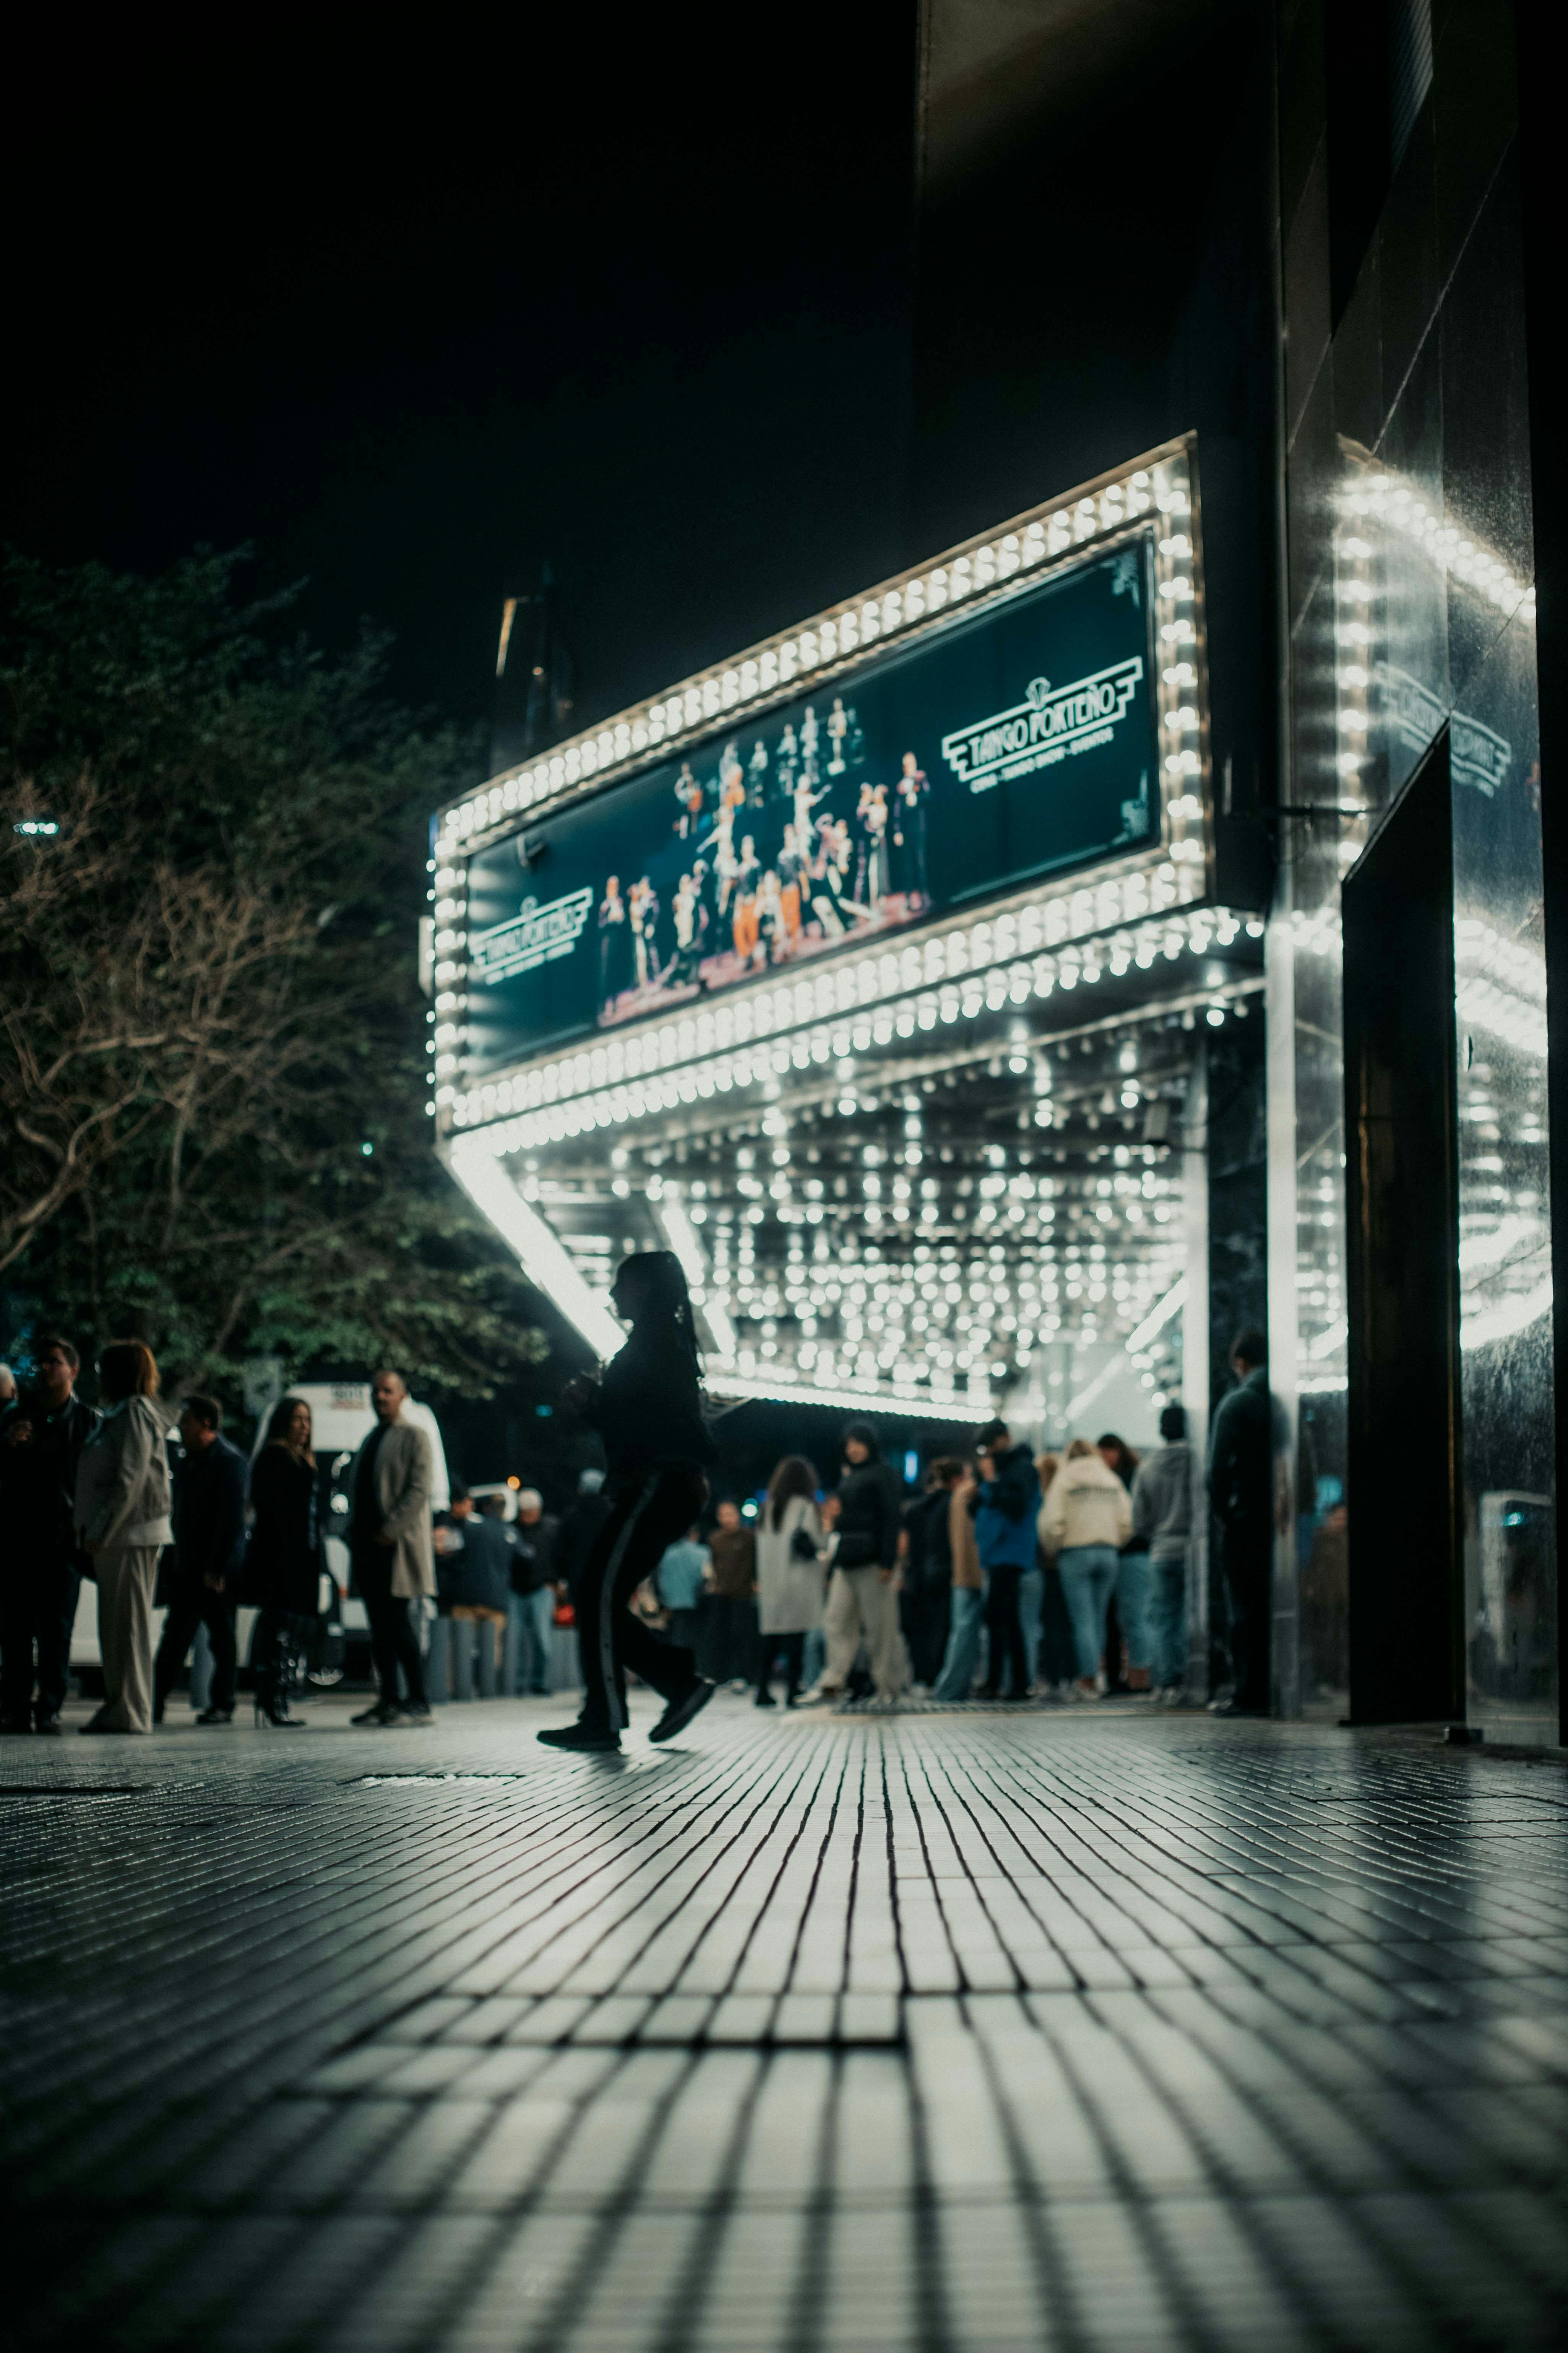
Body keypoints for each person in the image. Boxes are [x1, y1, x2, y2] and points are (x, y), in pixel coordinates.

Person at [540, 1248, 717, 1752]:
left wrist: (592, 1401)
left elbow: (642, 1425)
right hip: (661, 1484)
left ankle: (608, 1715)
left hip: (655, 1484)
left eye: (622, 1283)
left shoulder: (653, 1345)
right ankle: (671, 1683)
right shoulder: (662, 1343)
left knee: (596, 1591)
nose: (614, 1293)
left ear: (643, 1289)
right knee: (599, 1594)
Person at [73, 1340, 174, 1735]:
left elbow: (128, 1480)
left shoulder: (133, 1413)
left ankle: (130, 1711)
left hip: (130, 1535)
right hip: (126, 1535)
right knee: (119, 1627)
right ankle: (122, 1706)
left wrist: (100, 1529)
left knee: (128, 1628)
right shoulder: (129, 1413)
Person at [0, 1336, 99, 1734]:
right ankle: (15, 1704)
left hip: (64, 1541)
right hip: (17, 1538)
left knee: (57, 1628)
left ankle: (51, 1705)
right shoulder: (13, 1416)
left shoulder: (88, 1420)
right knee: (15, 1628)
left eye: (53, 1362)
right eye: (39, 1362)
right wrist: (8, 1447)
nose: (44, 1369)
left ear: (73, 1370)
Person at [346, 1370, 436, 1727]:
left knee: (397, 1624)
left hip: (393, 1547)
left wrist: (391, 1531)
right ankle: (390, 1699)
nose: (380, 1397)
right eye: (376, 1391)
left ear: (402, 1396)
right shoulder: (372, 1437)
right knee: (380, 1628)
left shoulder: (415, 1436)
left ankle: (417, 1700)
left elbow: (419, 1489)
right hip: (368, 1545)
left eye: (388, 1391)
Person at [153, 1396, 250, 1726]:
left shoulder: (229, 1461)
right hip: (190, 1567)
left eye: (187, 1421)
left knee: (220, 1638)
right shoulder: (191, 1460)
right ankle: (155, 1701)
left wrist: (218, 1568)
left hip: (213, 1569)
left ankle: (223, 1703)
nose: (182, 1428)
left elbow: (231, 1520)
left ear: (206, 1423)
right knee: (177, 1637)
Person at [803, 1421, 907, 1705]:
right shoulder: (850, 1477)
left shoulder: (883, 1474)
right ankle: (833, 1683)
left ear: (870, 1445)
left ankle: (887, 1689)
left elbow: (891, 1519)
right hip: (847, 1560)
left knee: (880, 1629)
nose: (853, 1449)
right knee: (835, 1621)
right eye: (849, 1444)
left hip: (874, 1561)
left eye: (858, 1443)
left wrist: (888, 1561)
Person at [1207, 1330, 1274, 1716]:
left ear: (1240, 1363)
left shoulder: (1237, 1403)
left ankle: (1248, 1693)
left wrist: (1226, 1514)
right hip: (1279, 1521)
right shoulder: (1282, 1402)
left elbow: (1216, 1472)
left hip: (1245, 1521)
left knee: (1243, 1611)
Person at [1038, 1438, 1133, 1700]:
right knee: (1099, 1618)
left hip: (1075, 1553)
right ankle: (1099, 1677)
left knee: (1082, 1621)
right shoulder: (1110, 1479)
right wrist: (1115, 1540)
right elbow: (1127, 1520)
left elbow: (1051, 1521)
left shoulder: (1065, 1479)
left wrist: (1055, 1545)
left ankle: (1088, 1680)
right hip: (1108, 1553)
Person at [247, 1393, 321, 1727]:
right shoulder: (276, 1457)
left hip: (300, 1557)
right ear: (283, 1422)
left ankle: (277, 1697)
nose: (304, 1426)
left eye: (307, 1420)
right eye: (297, 1419)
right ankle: (271, 1698)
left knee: (289, 1629)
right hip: (281, 1558)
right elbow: (275, 1513)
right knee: (279, 1627)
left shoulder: (301, 1459)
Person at [972, 1418, 1040, 1701]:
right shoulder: (1004, 1469)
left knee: (998, 1616)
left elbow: (1016, 1507)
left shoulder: (1021, 1468)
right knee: (1008, 1619)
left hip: (1011, 1551)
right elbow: (976, 1508)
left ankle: (999, 1682)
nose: (990, 1452)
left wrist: (992, 1482)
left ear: (1005, 1438)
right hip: (998, 1552)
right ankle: (1016, 1683)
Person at [1134, 1404, 1193, 1704]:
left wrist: (1157, 1533)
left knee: (1164, 1618)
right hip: (1194, 1551)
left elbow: (1139, 1521)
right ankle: (1192, 1678)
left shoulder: (1147, 1467)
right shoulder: (1196, 1461)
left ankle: (1167, 1681)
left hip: (1161, 1551)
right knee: (1192, 1616)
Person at [754, 1456, 824, 1706]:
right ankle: (792, 1690)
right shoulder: (806, 1507)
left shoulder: (766, 1508)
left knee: (771, 1639)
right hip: (798, 1581)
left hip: (771, 1582)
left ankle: (762, 1689)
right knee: (796, 1638)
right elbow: (819, 1542)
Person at [443, 1490, 520, 1698]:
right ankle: (487, 1688)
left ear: (484, 1508)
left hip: (466, 1596)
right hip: (496, 1599)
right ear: (504, 1510)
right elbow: (526, 1558)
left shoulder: (470, 1530)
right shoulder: (510, 1532)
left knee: (461, 1645)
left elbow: (448, 1551)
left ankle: (455, 1689)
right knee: (492, 1648)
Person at [901, 1458, 964, 1687]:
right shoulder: (953, 1504)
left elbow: (907, 1547)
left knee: (921, 1629)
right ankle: (940, 1676)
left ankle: (923, 1677)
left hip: (918, 1574)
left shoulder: (916, 1508)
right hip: (946, 1571)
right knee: (944, 1628)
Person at [1099, 1432, 1152, 1695]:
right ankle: (1122, 1678)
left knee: (1134, 1618)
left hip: (1132, 1553)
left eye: (1108, 1452)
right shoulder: (1120, 1477)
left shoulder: (1129, 1477)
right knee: (1119, 1620)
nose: (1105, 1458)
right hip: (1122, 1554)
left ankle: (1141, 1678)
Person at [931, 1461, 986, 1699]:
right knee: (973, 1633)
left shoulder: (955, 1497)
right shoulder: (971, 1493)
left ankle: (951, 1689)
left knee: (961, 1632)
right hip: (977, 1571)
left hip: (960, 1572)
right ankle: (956, 1689)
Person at [509, 1487, 561, 1697]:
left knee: (543, 1639)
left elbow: (559, 1557)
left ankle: (540, 1681)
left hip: (541, 1588)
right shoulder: (513, 1529)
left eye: (531, 1512)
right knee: (516, 1638)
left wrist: (555, 1582)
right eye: (524, 1512)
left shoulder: (551, 1529)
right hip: (516, 1589)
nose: (528, 1516)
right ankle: (519, 1682)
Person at [704, 1498, 758, 1687]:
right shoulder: (715, 1539)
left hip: (743, 1594)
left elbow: (756, 1562)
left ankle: (743, 1675)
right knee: (721, 1636)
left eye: (731, 1513)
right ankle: (722, 1676)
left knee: (742, 1636)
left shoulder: (749, 1537)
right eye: (724, 1514)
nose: (728, 1518)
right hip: (721, 1593)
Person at [656, 1523, 710, 1664]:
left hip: (674, 1602)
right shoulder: (703, 1552)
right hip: (698, 1602)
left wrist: (664, 1601)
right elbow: (707, 1577)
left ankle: (677, 1667)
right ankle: (697, 1668)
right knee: (698, 1637)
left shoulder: (668, 1553)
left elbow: (661, 1580)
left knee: (677, 1636)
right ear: (695, 1535)